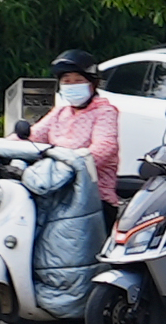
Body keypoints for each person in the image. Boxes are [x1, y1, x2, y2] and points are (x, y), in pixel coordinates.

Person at [31, 49, 120, 207]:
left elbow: (105, 147)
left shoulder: (105, 111)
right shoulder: (60, 112)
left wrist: (69, 166)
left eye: (78, 80)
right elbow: (33, 135)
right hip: (55, 192)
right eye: (66, 81)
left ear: (93, 84)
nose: (72, 85)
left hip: (92, 199)